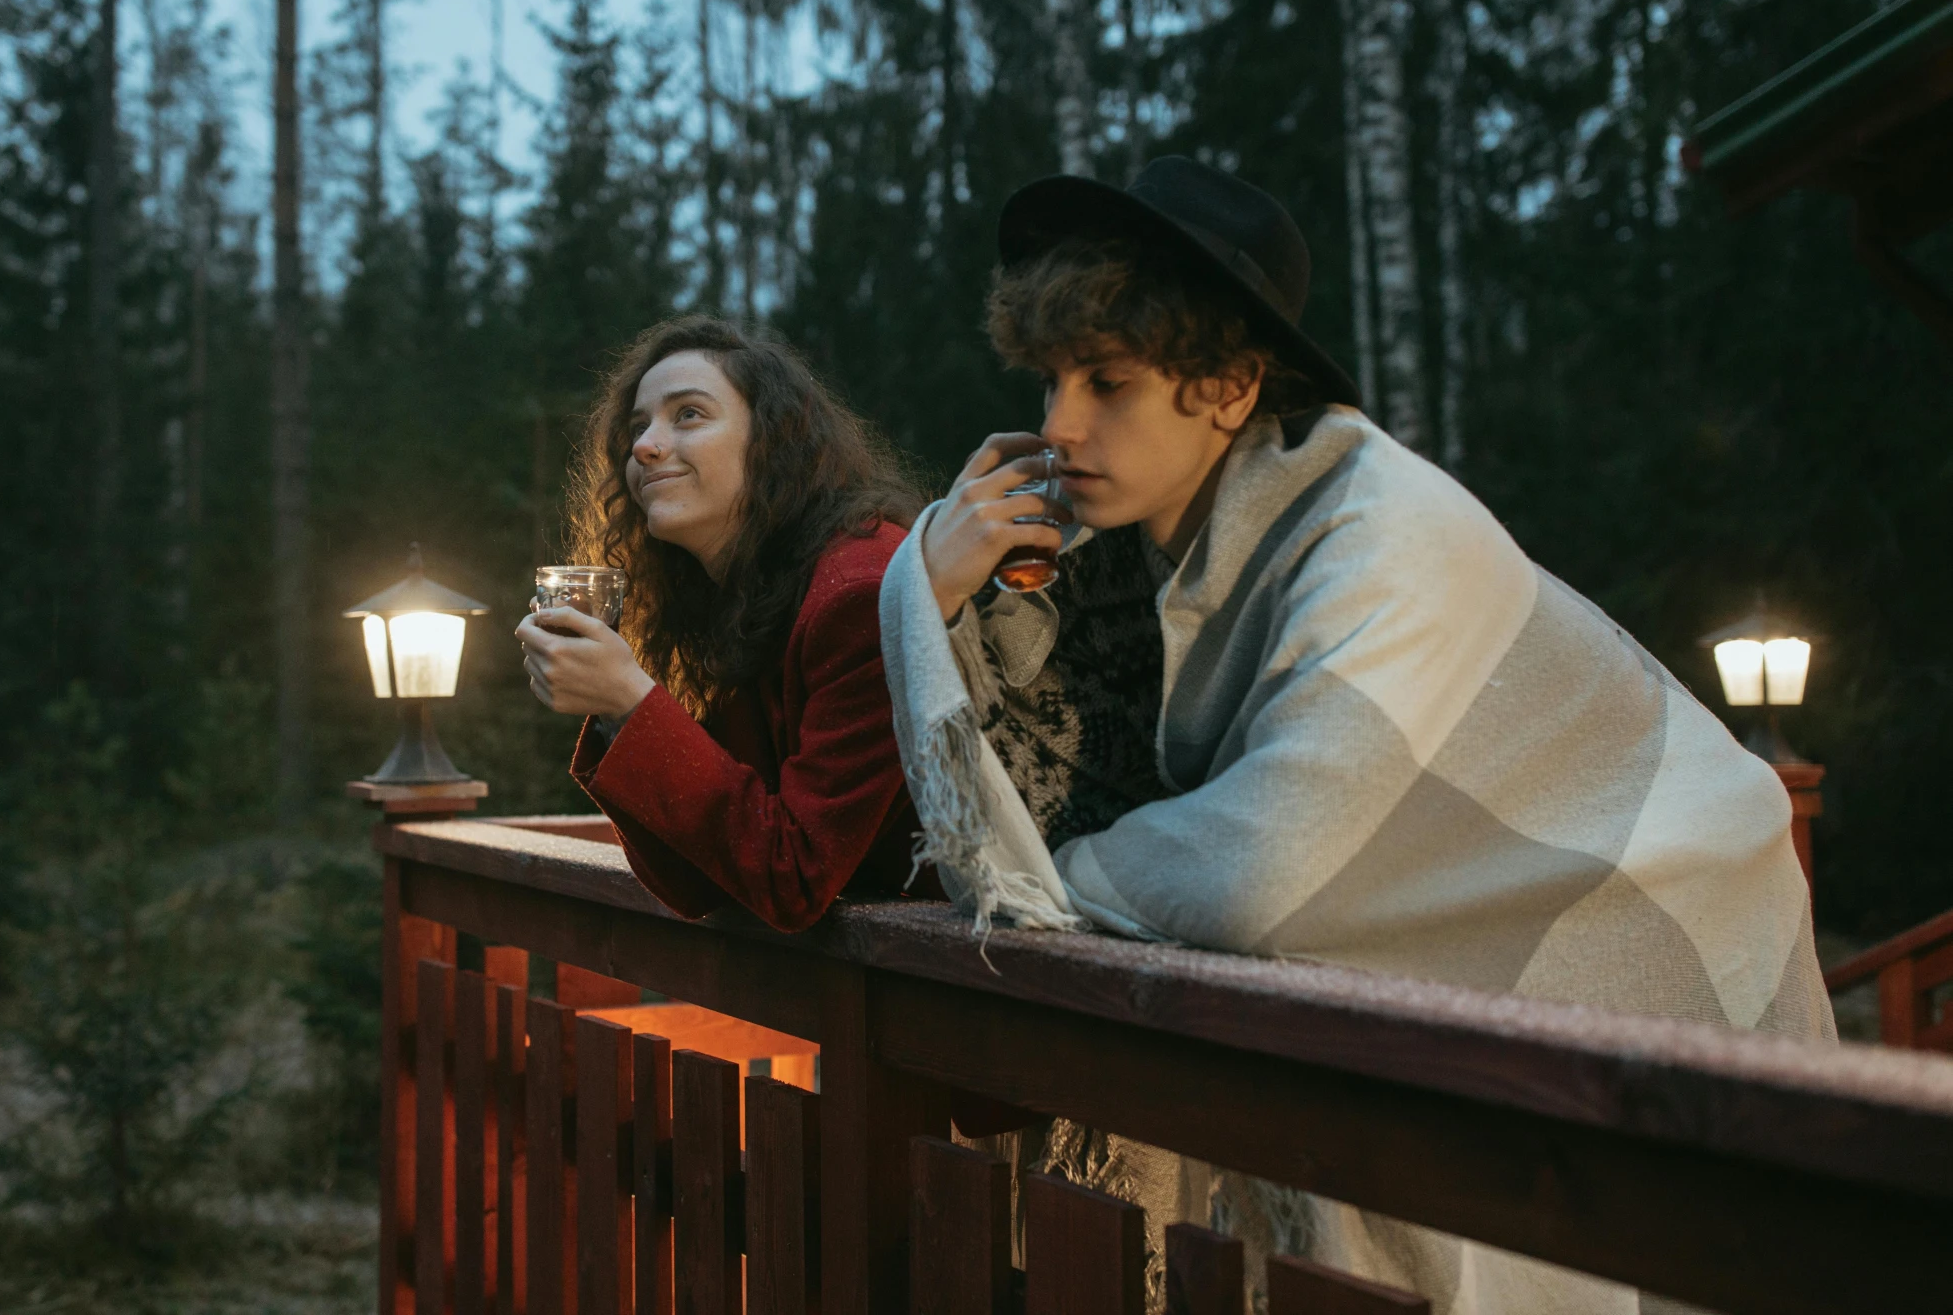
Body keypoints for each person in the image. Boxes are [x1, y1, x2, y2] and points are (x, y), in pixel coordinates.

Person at [878, 156, 1831, 1314]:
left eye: (1108, 382)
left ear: (1228, 388)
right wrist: (924, 580)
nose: (1058, 424)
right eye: (1050, 381)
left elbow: (1266, 865)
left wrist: (1044, 883)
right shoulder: (1147, 547)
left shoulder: (1381, 531)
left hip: (1653, 910)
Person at [516, 315, 930, 932]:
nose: (644, 446)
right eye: (638, 426)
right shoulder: (751, 596)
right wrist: (612, 709)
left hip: (986, 990)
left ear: (775, 439)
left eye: (688, 414)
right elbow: (703, 879)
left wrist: (629, 700)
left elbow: (791, 876)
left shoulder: (861, 593)